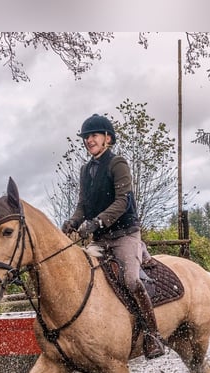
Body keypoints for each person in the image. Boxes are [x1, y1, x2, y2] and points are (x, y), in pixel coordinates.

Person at [61, 114, 165, 359]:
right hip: (100, 240)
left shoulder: (117, 164)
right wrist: (72, 221)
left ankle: (153, 335)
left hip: (124, 235)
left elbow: (122, 201)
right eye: (86, 137)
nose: (89, 140)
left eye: (94, 135)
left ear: (107, 138)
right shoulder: (85, 170)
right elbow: (83, 205)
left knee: (130, 280)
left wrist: (97, 221)